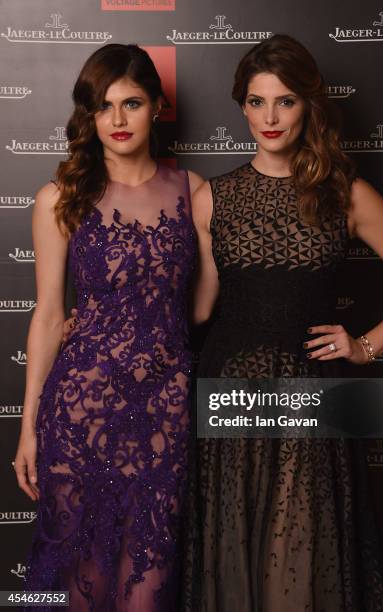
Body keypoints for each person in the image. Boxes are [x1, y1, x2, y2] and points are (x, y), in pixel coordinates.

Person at [183, 34, 383, 611]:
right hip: (228, 396)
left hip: (308, 398)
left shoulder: (345, 194)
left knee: (296, 568)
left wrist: (366, 345)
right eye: (256, 102)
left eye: (285, 101)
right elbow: (198, 310)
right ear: (241, 105)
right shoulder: (213, 199)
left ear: (309, 105)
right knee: (234, 566)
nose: (270, 118)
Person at [14, 44, 202, 611]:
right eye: (103, 107)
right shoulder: (60, 199)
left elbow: (202, 305)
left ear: (158, 107)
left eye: (132, 103)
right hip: (81, 411)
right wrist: (28, 427)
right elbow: (48, 314)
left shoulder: (194, 192)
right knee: (87, 582)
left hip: (163, 412)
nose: (117, 121)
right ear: (88, 116)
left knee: (147, 586)